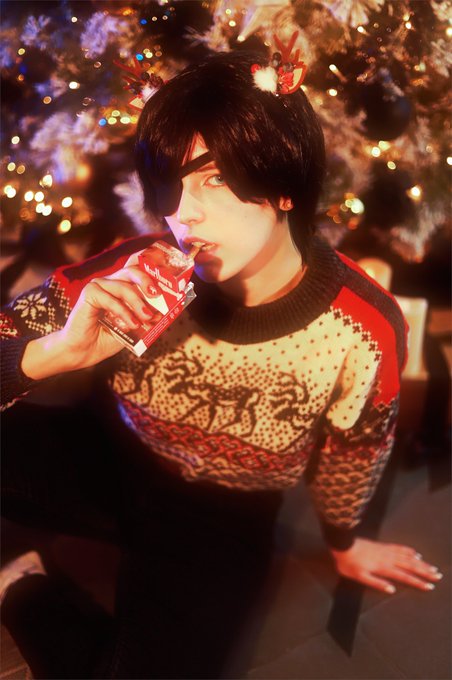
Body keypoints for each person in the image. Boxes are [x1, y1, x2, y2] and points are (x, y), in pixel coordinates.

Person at [0, 50, 442, 679]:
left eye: (214, 179)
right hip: (107, 456)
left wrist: (343, 544)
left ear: (283, 184)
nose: (184, 215)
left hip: (221, 519)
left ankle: (21, 583)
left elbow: (356, 450)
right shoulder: (133, 274)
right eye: (170, 186)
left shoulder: (363, 326)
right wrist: (55, 353)